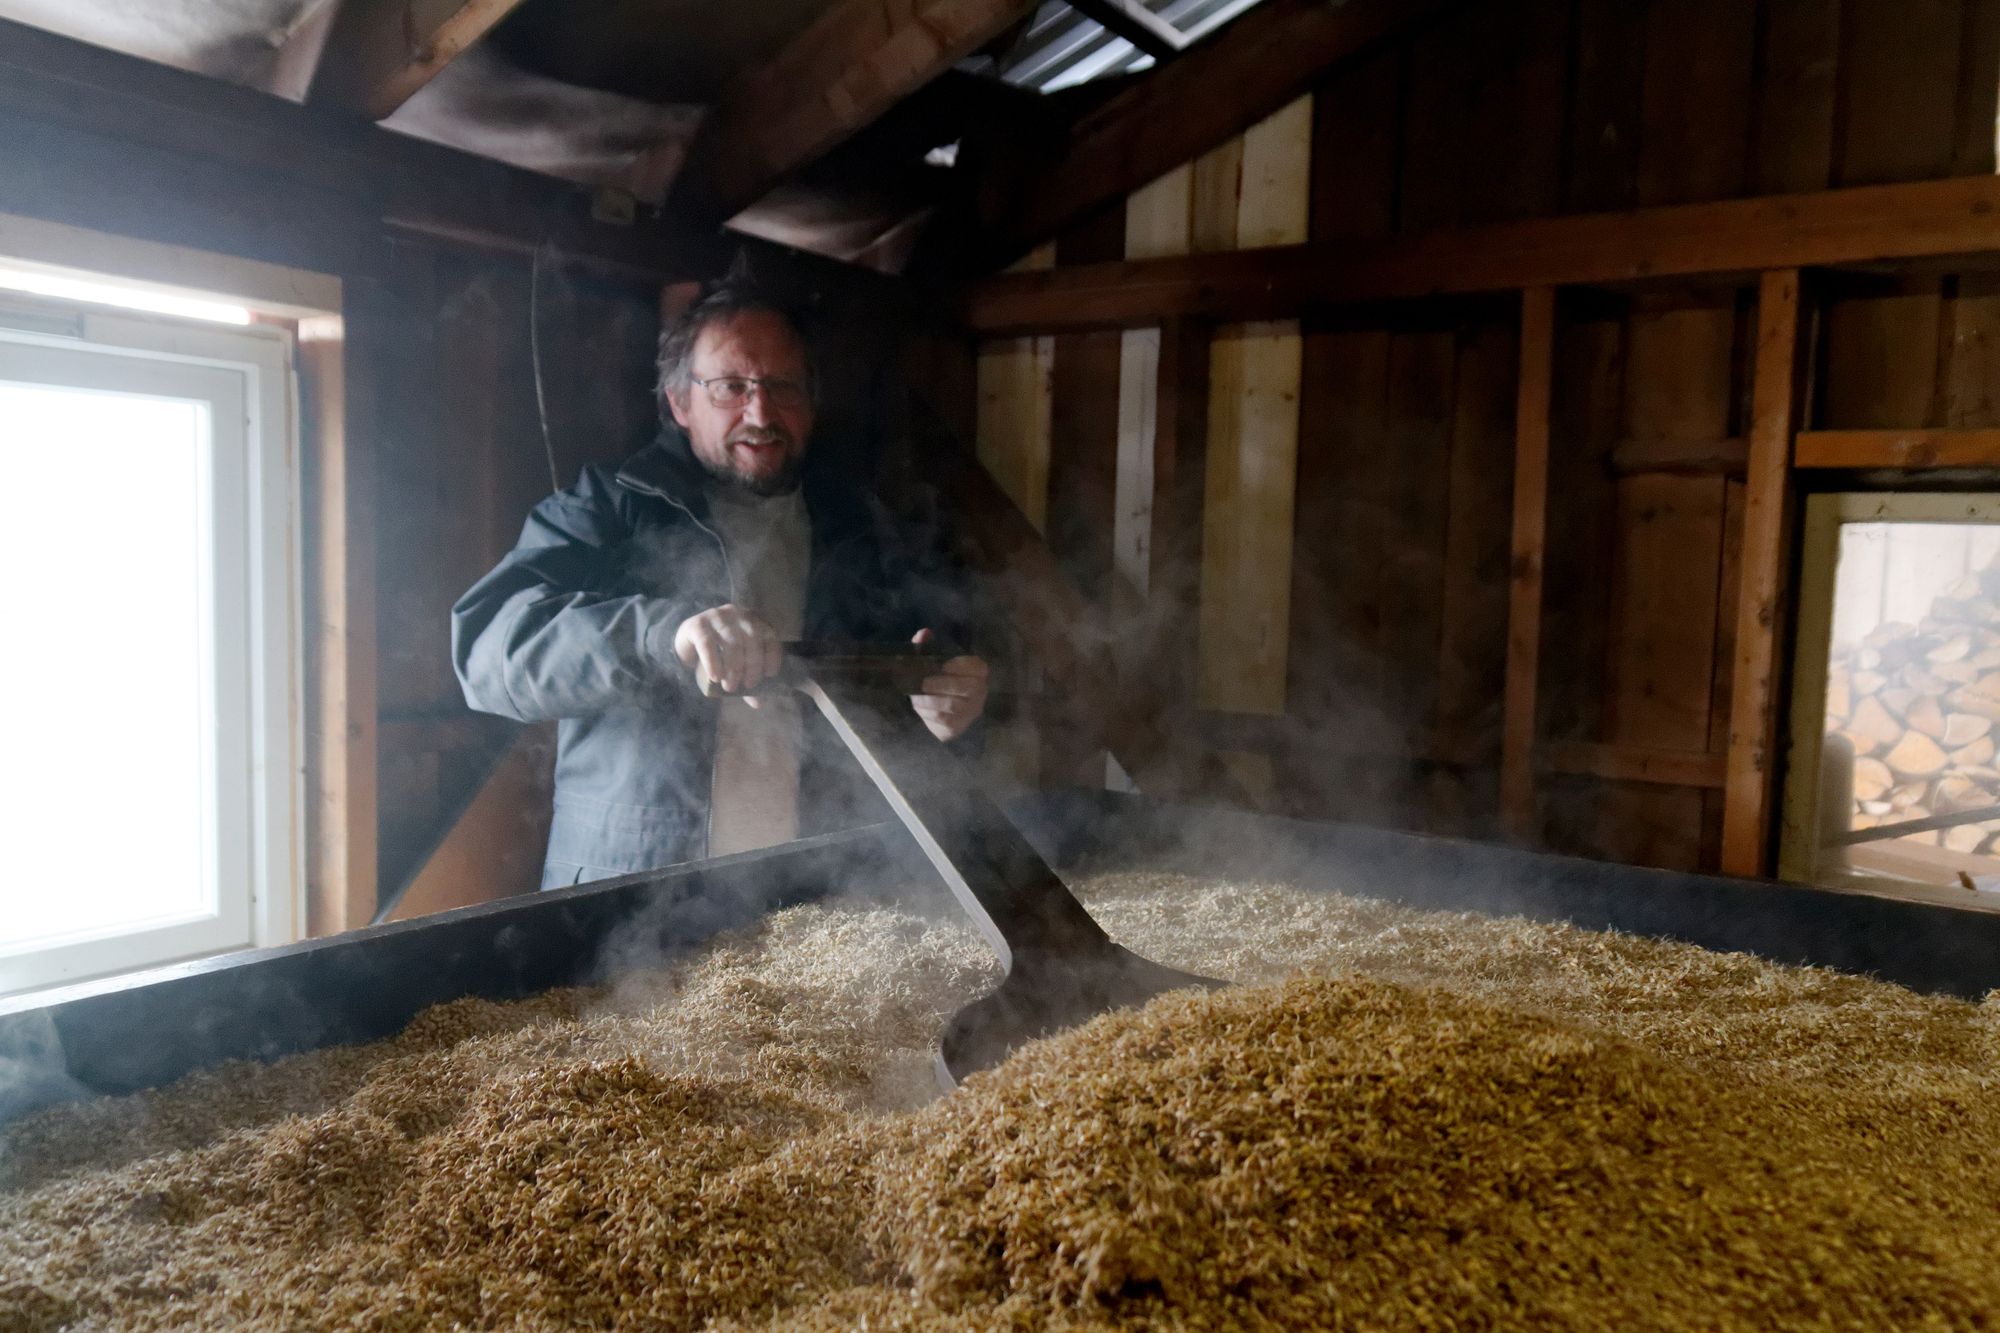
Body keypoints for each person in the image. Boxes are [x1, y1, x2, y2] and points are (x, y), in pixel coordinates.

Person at [452, 279, 990, 888]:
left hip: (815, 890)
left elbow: (908, 695)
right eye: (731, 387)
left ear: (810, 403)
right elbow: (487, 654)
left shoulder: (859, 525)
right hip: (629, 895)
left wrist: (943, 713)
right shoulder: (608, 506)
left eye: (782, 387)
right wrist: (664, 634)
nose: (760, 413)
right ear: (681, 402)